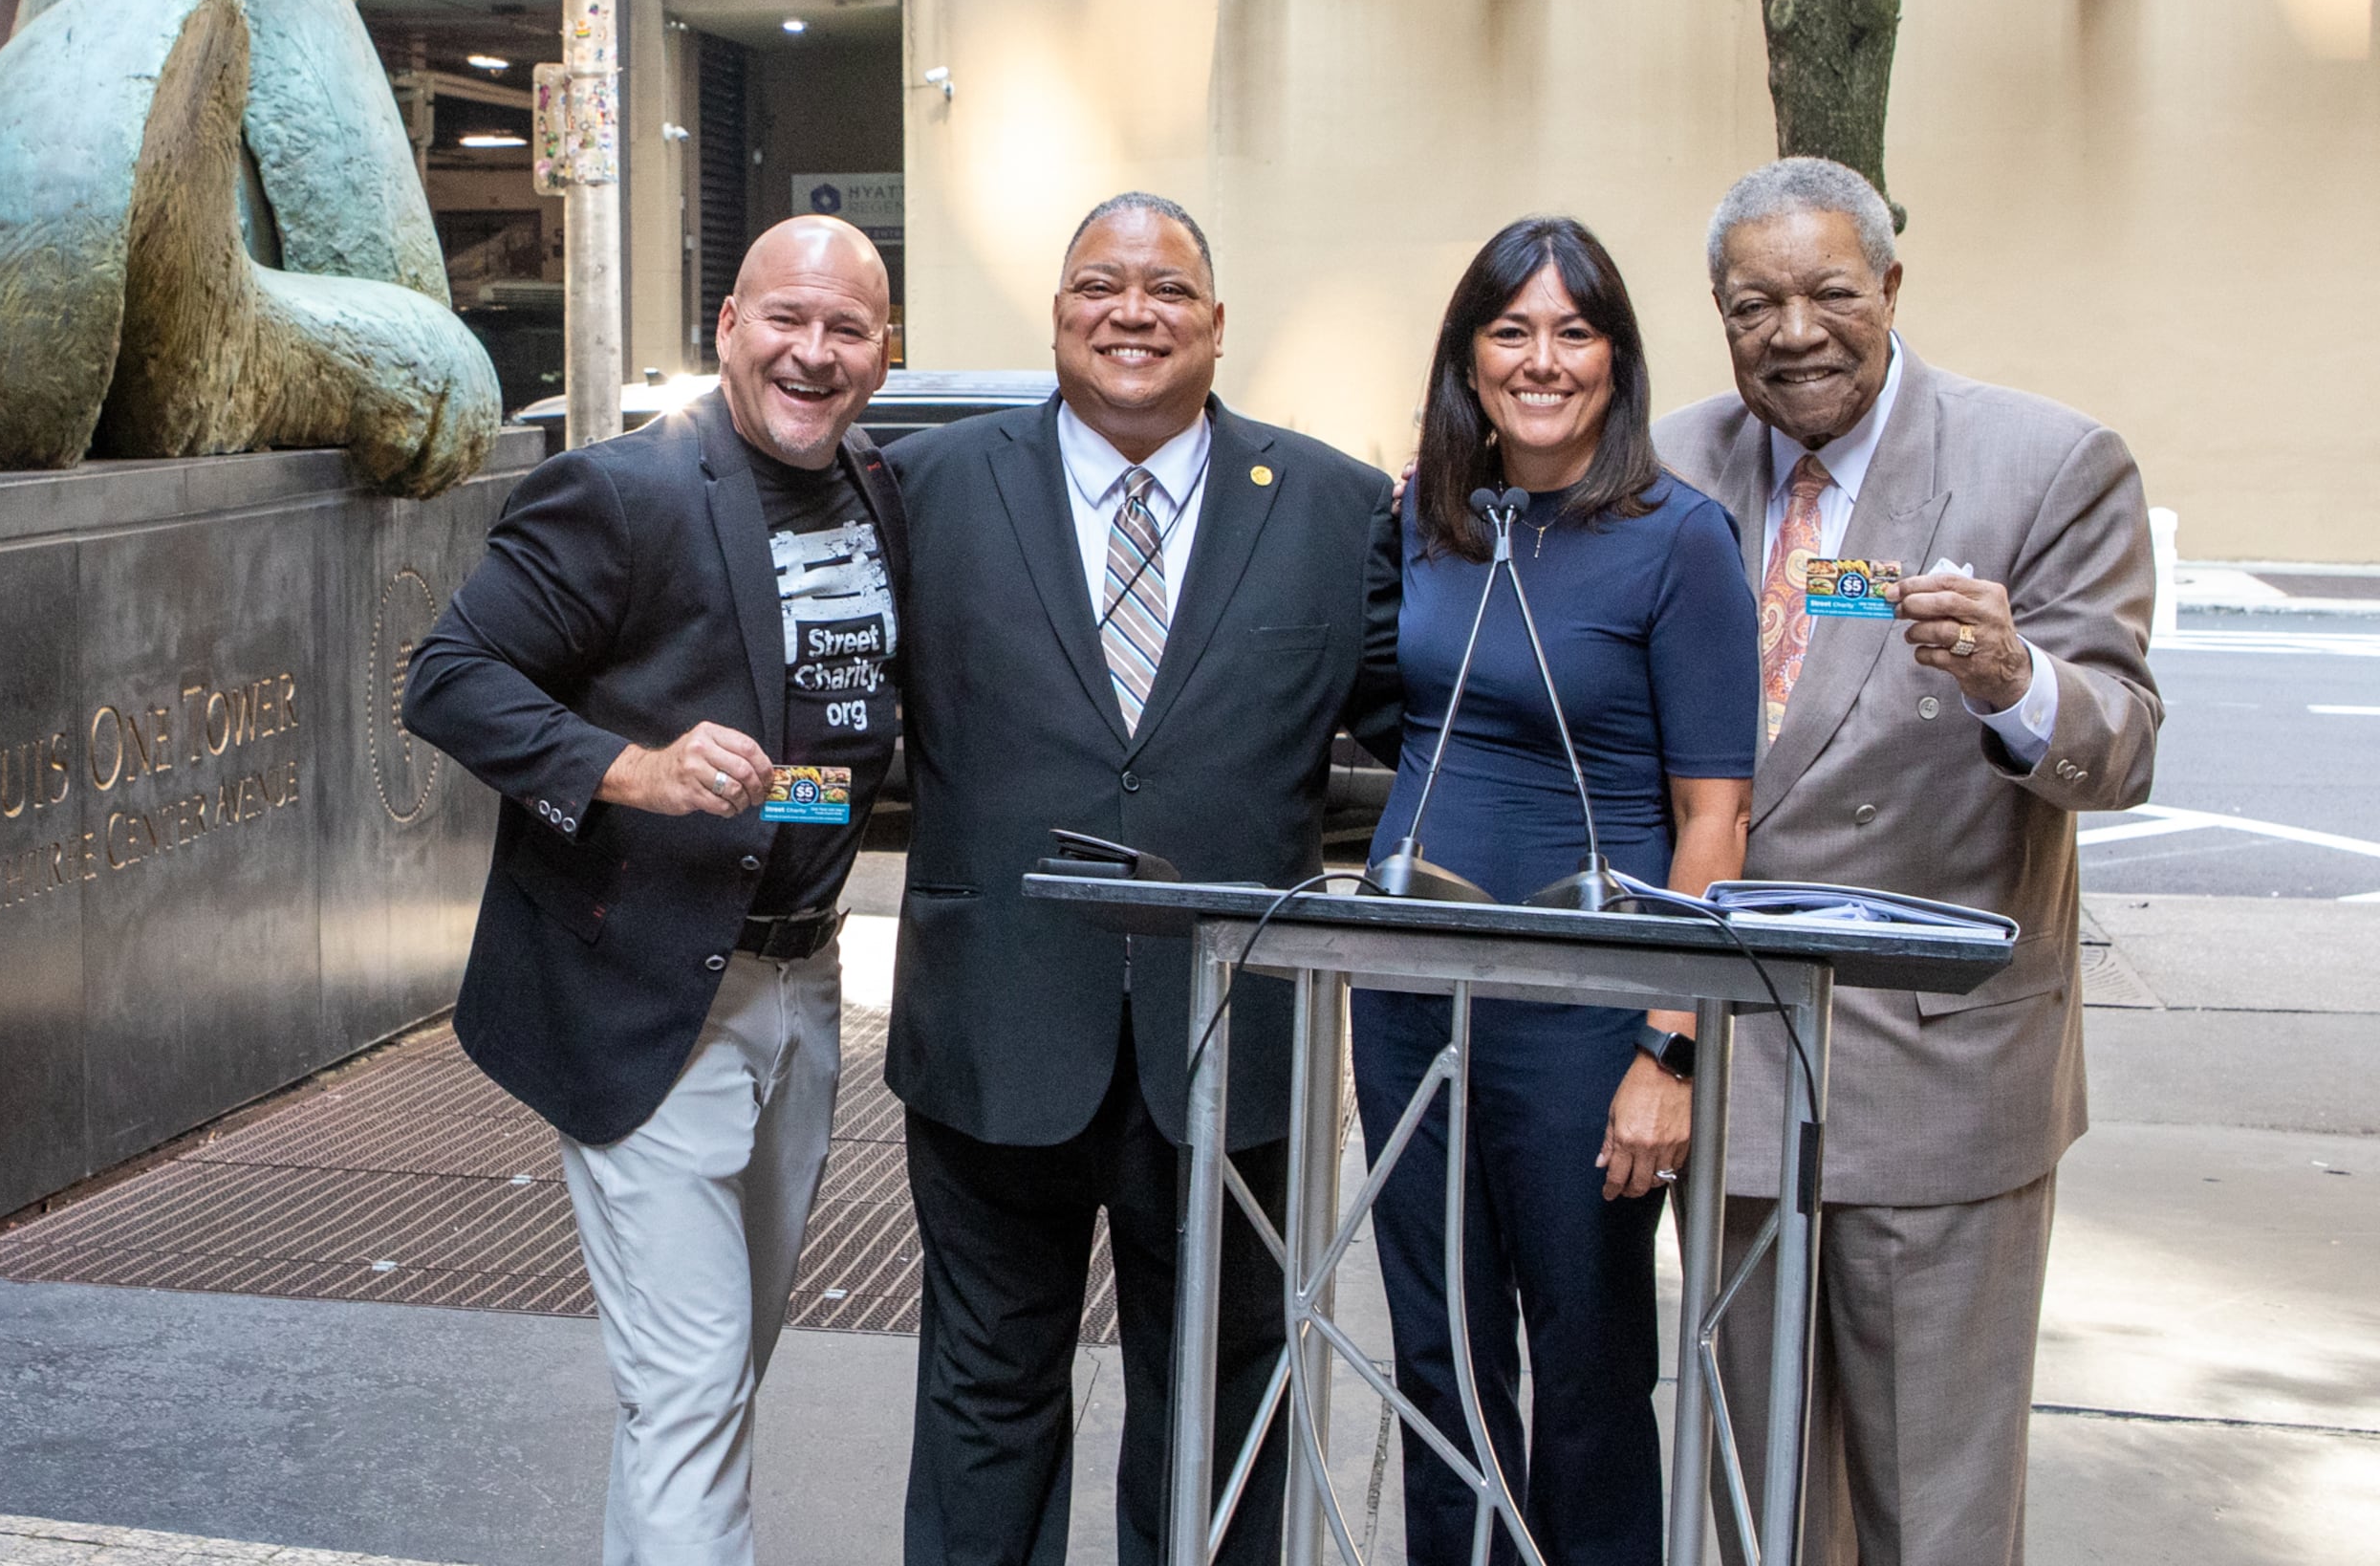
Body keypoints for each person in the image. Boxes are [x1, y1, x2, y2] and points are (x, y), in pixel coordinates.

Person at [881, 192, 1401, 1565]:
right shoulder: (926, 490)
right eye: (1098, 287)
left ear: (1218, 326)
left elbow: (1444, 731)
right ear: (1055, 318)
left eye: (1167, 291)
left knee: (1227, 1405)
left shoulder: (1338, 509)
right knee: (986, 1395)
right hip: (995, 1025)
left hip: (1238, 1042)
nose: (1132, 313)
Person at [1657, 159, 2159, 1566]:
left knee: (1930, 1506)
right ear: (1719, 313)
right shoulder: (1669, 463)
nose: (1794, 330)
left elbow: (2119, 749)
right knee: (1752, 1499)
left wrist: (2015, 679)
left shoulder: (2048, 463)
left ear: (1891, 286)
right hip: (1732, 1068)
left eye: (1828, 292)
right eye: (1754, 304)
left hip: (1938, 1080)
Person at [403, 215, 903, 1566]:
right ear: (730, 324)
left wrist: (769, 797)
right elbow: (448, 681)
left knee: (713, 1379)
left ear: (883, 352)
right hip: (650, 995)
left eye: (846, 329)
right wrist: (634, 770)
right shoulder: (625, 491)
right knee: (688, 1385)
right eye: (785, 320)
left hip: (803, 990)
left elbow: (806, 772)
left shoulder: (874, 492)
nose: (813, 351)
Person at [1352, 218, 1757, 1566]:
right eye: (1510, 330)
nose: (1542, 360)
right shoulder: (1426, 514)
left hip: (1588, 1021)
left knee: (1585, 1371)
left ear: (1618, 359)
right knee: (1437, 1358)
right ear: (1467, 356)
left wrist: (1670, 1048)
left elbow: (1715, 819)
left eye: (1574, 331)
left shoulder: (1678, 538)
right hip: (1411, 995)